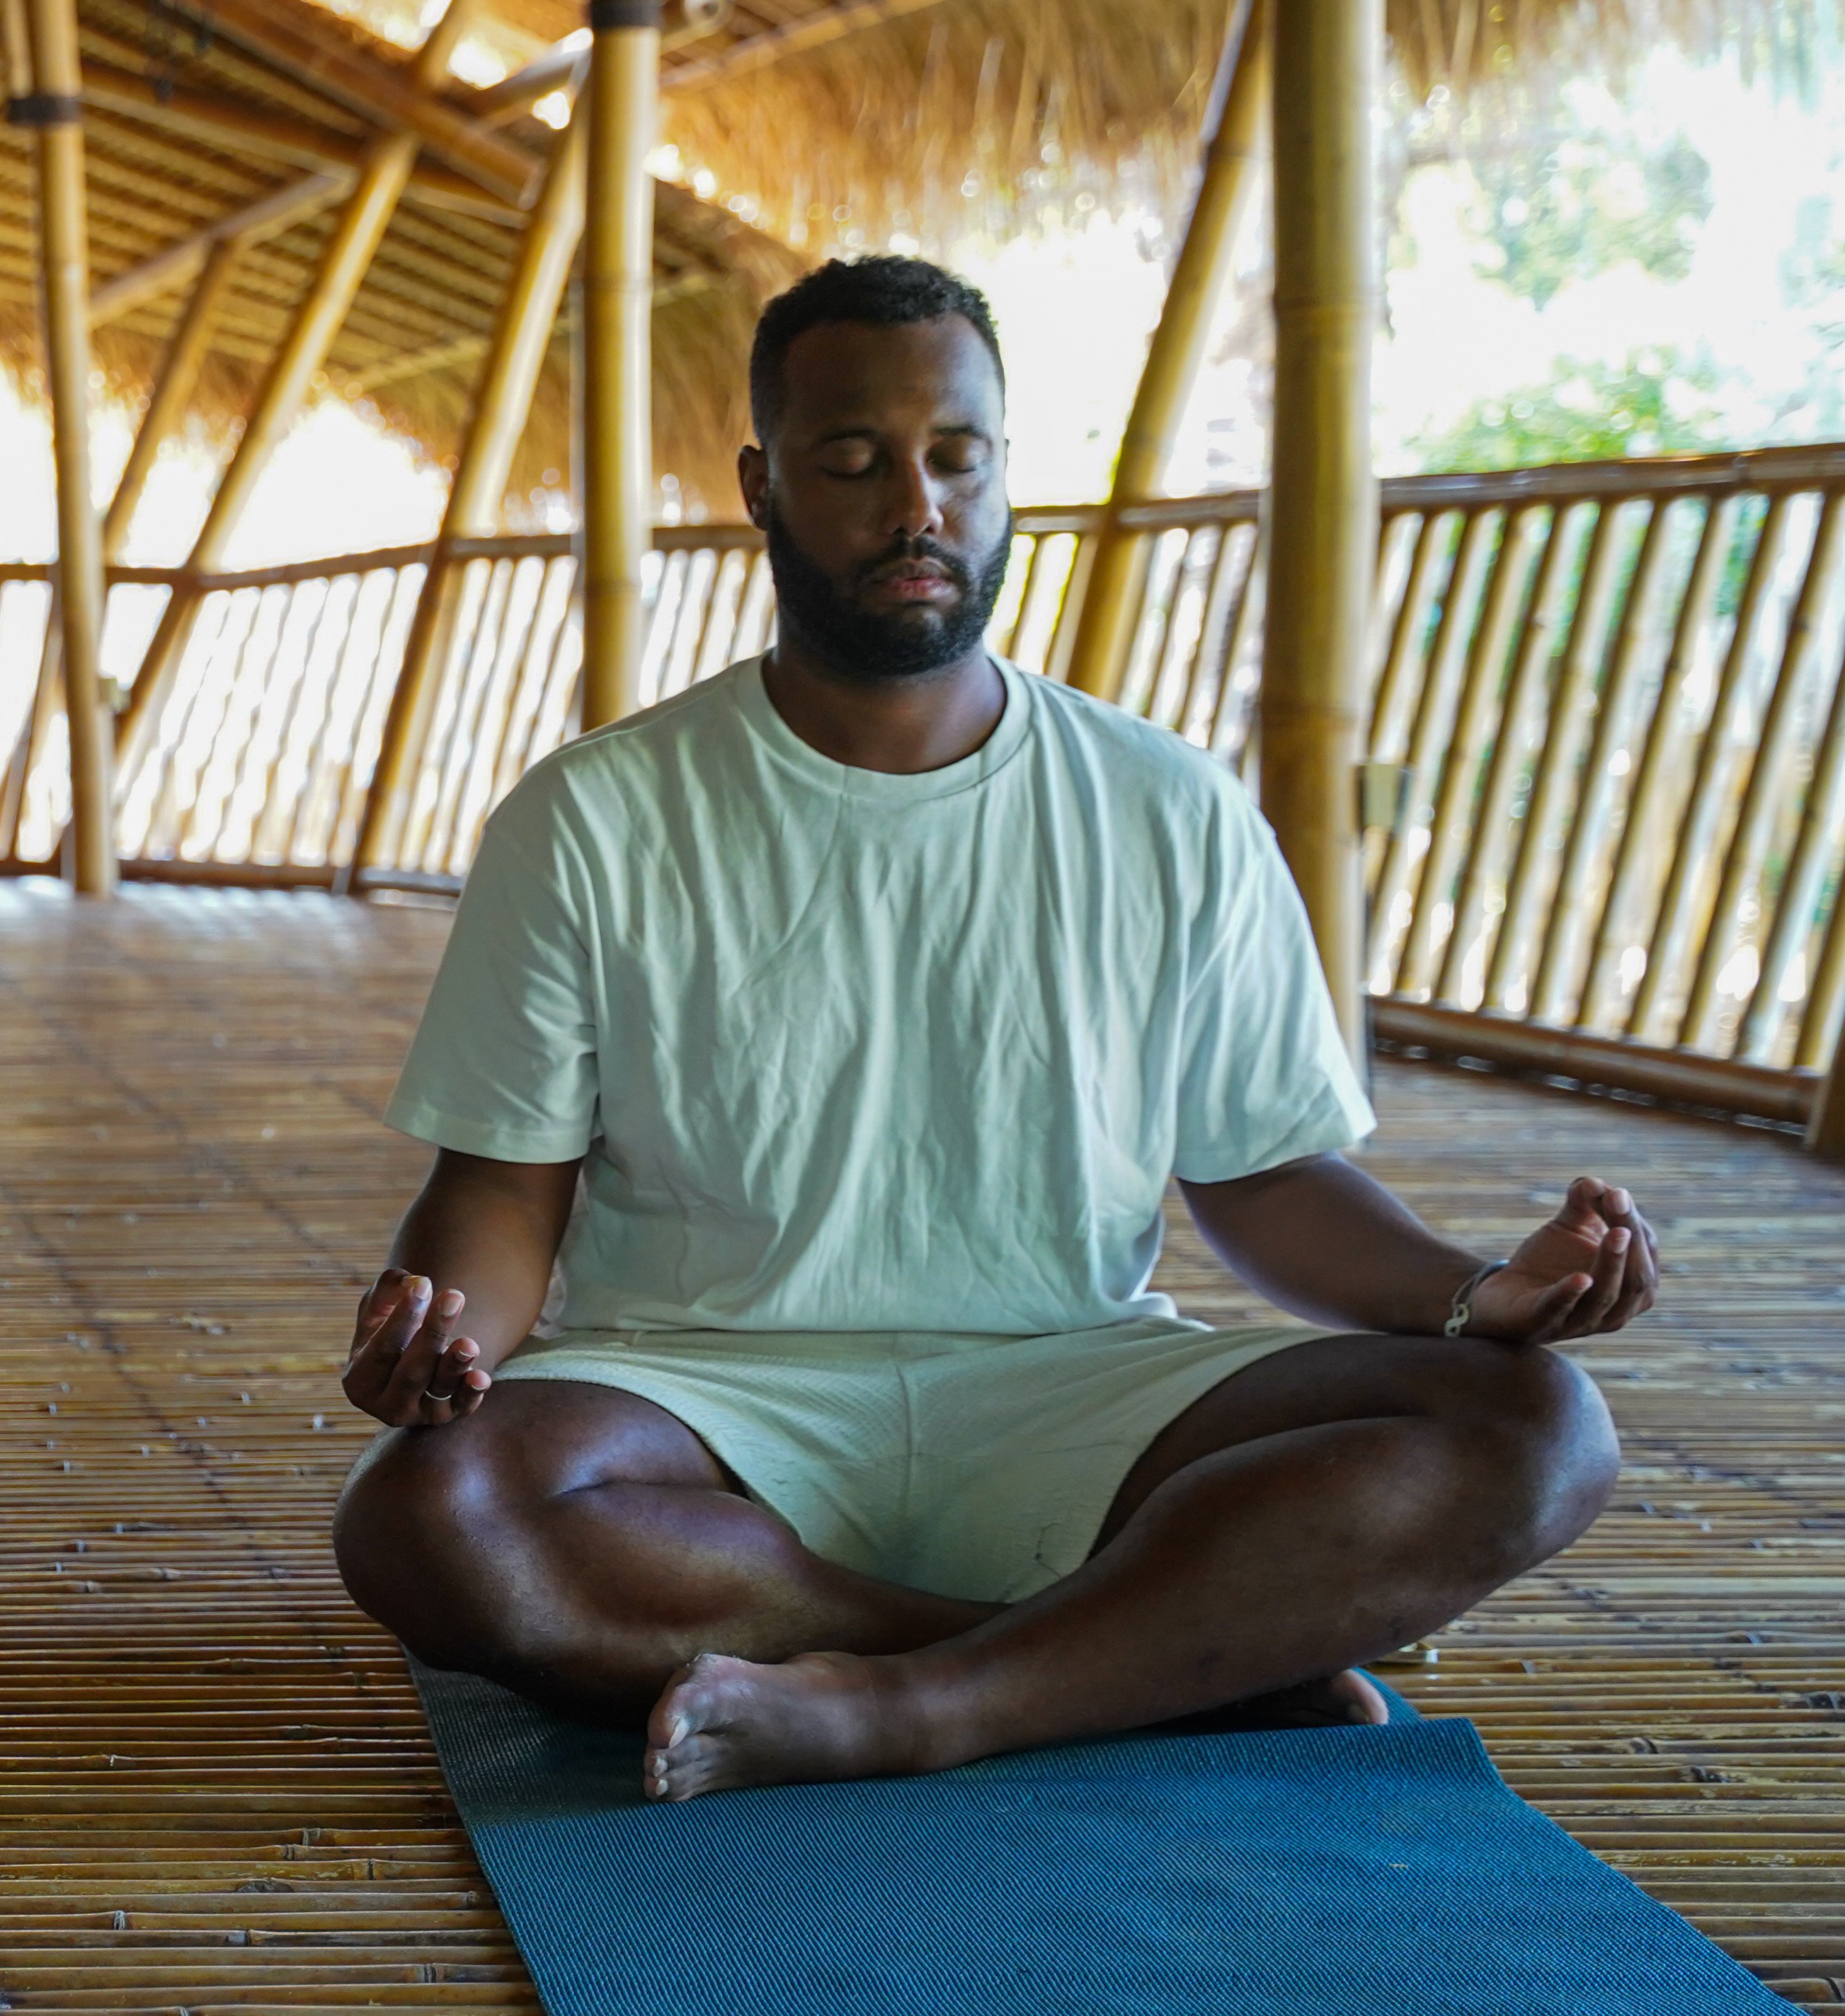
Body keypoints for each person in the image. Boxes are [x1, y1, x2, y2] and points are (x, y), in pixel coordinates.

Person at [330, 256, 1657, 1804]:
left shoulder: (1166, 807)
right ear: (762, 486)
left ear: (1005, 470)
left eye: (957, 457)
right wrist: (445, 1343)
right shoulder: (595, 814)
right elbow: (504, 1189)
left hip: (1081, 1390)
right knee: (430, 1515)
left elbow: (1265, 1178)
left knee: (1537, 1426)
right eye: (853, 460)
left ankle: (912, 1704)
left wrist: (1478, 1293)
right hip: (709, 1406)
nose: (918, 506)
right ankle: (1140, 1665)